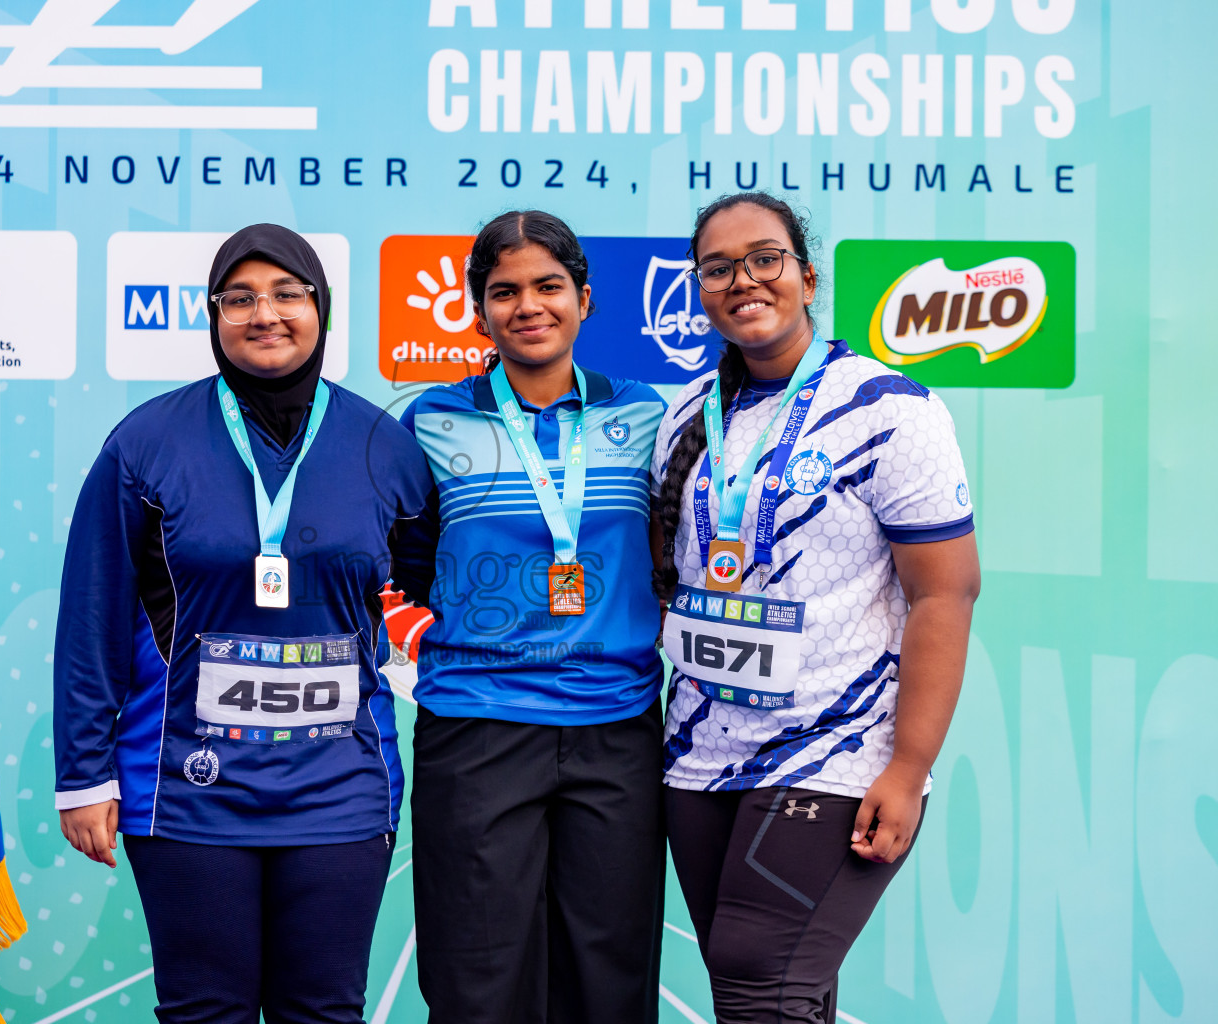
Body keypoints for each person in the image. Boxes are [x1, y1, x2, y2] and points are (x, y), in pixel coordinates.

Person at [52, 224, 434, 1024]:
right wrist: (84, 776)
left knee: (324, 1013)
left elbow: (426, 595)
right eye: (241, 298)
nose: (266, 314)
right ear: (215, 315)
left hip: (341, 788)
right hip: (188, 787)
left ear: (321, 309)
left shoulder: (383, 446)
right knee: (203, 1013)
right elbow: (93, 614)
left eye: (288, 294)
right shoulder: (147, 444)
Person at [650, 192, 981, 1023]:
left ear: (805, 274)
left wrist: (907, 766)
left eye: (764, 258)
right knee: (781, 991)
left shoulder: (889, 408)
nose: (743, 280)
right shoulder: (687, 418)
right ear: (700, 290)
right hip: (699, 754)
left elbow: (944, 591)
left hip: (837, 750)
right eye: (718, 268)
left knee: (759, 975)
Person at [390, 210, 668, 1024]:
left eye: (549, 286)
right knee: (478, 983)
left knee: (608, 982)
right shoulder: (432, 420)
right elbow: (404, 567)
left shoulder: (645, 416)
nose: (528, 305)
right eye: (503, 291)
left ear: (584, 298)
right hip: (476, 725)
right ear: (478, 309)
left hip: (616, 727)